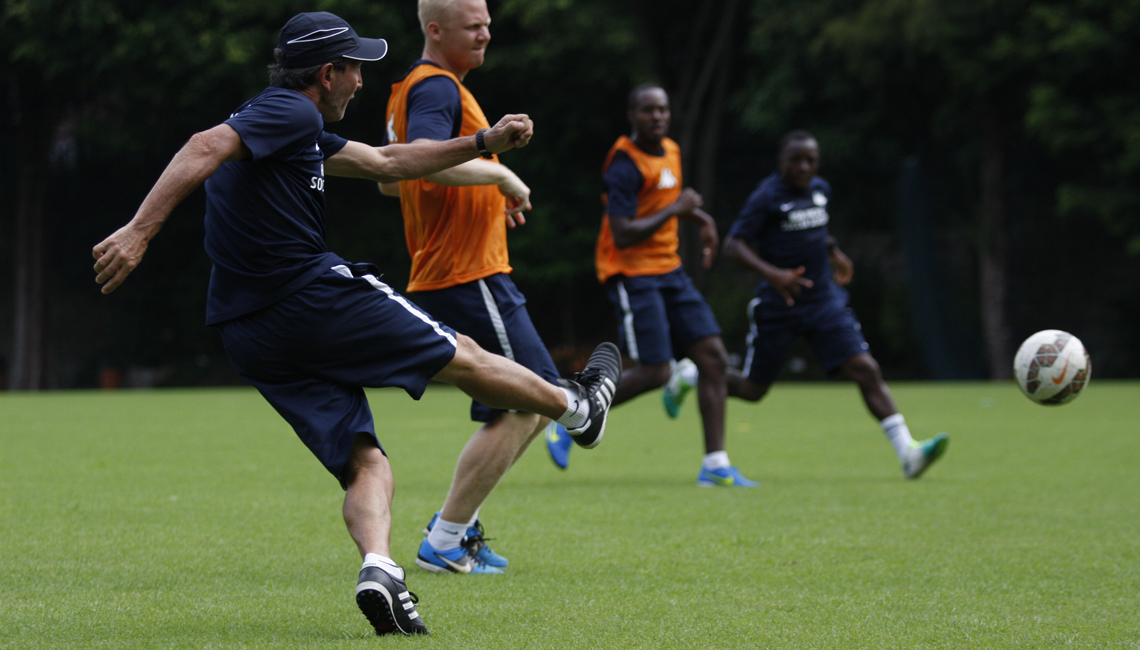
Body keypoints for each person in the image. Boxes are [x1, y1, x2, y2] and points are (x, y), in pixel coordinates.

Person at [91, 12, 621, 637]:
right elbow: (204, 145)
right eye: (354, 70)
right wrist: (139, 230)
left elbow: (387, 164)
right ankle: (579, 410)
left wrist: (483, 146)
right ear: (326, 73)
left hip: (250, 334)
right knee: (465, 356)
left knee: (365, 460)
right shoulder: (291, 112)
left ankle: (382, 569)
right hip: (310, 297)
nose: (361, 84)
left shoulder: (288, 129)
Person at [377, 0, 565, 575]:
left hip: (454, 270)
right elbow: (422, 166)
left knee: (523, 403)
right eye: (473, 24)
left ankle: (453, 531)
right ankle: (447, 538)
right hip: (467, 272)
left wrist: (485, 187)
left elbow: (391, 176)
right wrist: (500, 170)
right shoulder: (437, 89)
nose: (487, 31)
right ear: (436, 30)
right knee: (534, 398)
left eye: (487, 21)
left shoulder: (413, 86)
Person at [546, 83, 758, 487]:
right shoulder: (623, 163)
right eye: (648, 110)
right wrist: (678, 210)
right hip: (632, 271)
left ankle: (715, 465)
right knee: (656, 371)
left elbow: (666, 203)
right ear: (633, 116)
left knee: (713, 356)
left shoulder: (672, 151)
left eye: (662, 109)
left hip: (669, 269)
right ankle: (569, 414)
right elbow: (624, 232)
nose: (657, 117)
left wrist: (702, 221)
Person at [719, 129, 948, 478]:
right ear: (781, 161)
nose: (803, 166)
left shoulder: (820, 190)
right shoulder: (766, 197)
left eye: (810, 160)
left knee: (866, 369)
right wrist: (775, 274)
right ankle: (695, 373)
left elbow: (815, 228)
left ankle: (909, 453)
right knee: (752, 390)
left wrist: (834, 252)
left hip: (825, 302)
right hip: (780, 305)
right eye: (795, 159)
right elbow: (733, 246)